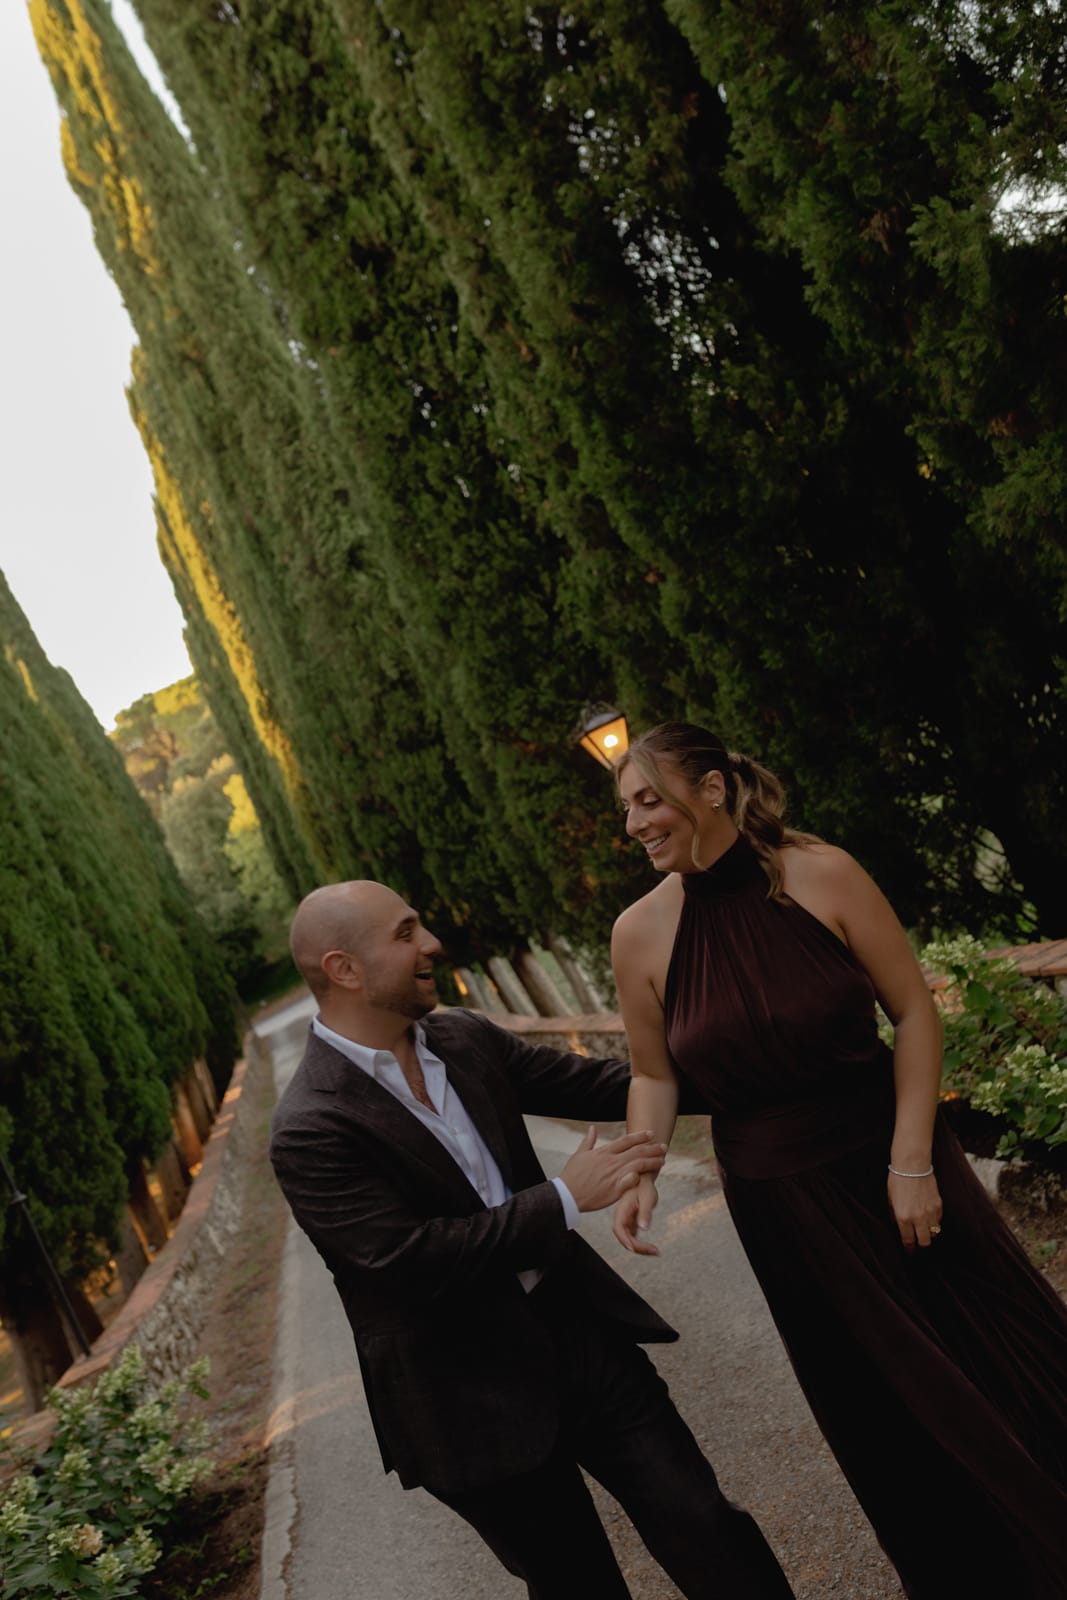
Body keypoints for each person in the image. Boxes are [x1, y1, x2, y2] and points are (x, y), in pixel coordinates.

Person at [610, 720, 1067, 1599]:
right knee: (886, 1411)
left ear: (710, 789)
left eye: (645, 800)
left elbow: (914, 1013)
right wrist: (641, 1166)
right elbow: (652, 1072)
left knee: (1002, 1355)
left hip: (896, 1165)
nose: (632, 824)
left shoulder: (822, 873)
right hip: (782, 1207)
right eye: (623, 808)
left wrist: (911, 1165)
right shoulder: (637, 934)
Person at [270, 878, 794, 1600]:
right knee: (576, 1585)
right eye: (405, 932)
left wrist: (759, 1059)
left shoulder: (463, 1038)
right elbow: (407, 1262)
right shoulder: (309, 1128)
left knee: (702, 1522)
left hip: (578, 1335)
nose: (430, 944)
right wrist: (563, 1199)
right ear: (344, 970)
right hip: (462, 1395)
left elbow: (604, 1082)